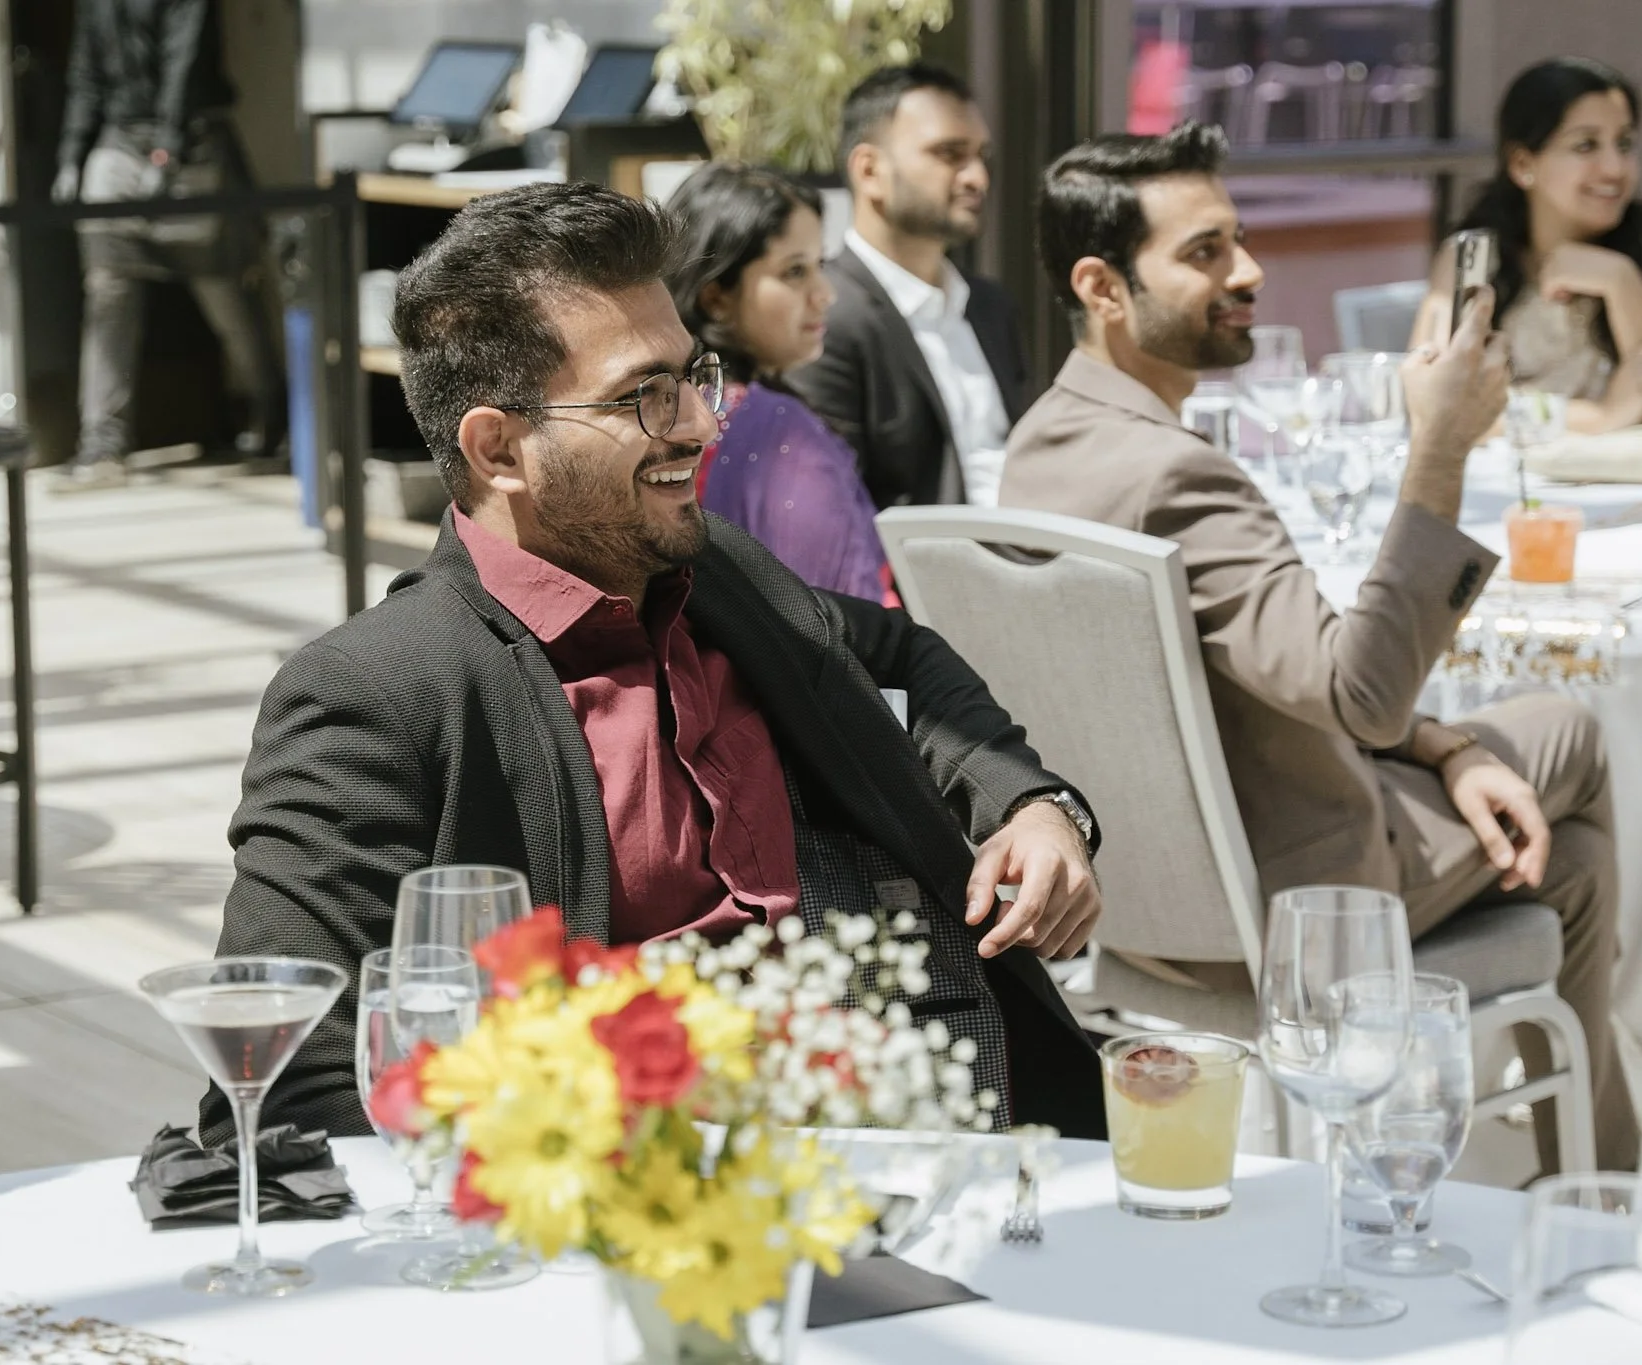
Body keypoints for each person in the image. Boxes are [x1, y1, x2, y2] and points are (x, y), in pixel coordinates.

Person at [202, 182, 1107, 1147]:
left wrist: (1031, 806)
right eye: (644, 395)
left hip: (925, 1125)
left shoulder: (718, 574)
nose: (700, 426)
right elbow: (287, 1078)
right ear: (499, 448)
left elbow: (902, 655)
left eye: (691, 377)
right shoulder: (373, 696)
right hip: (616, 1187)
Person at [1002, 122, 1637, 1171]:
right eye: (1204, 251)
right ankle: (1596, 1181)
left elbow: (1273, 675)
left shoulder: (1039, 448)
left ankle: (1585, 1165)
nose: (1248, 270)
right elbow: (1361, 695)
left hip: (1134, 905)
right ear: (1102, 287)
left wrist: (1445, 745)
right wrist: (1440, 446)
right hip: (1296, 899)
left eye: (1239, 238)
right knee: (1568, 730)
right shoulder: (1177, 477)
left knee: (1565, 862)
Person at [51, 0, 285, 490]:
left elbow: (187, 57)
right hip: (117, 145)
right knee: (107, 293)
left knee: (223, 290)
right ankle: (102, 444)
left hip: (190, 144)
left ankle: (272, 416)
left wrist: (168, 147)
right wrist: (71, 154)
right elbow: (85, 75)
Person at [788, 64, 1029, 510]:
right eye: (949, 154)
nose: (977, 178)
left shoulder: (990, 307)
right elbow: (830, 513)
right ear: (869, 170)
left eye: (982, 156)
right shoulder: (826, 316)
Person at [663, 163, 892, 603]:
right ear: (717, 296)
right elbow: (838, 617)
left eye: (819, 265)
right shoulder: (780, 432)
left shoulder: (660, 414)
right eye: (794, 272)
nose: (825, 294)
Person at [1414, 57, 1642, 433]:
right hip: (1508, 470)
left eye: (1624, 143)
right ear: (1522, 164)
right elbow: (1433, 402)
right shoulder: (1474, 257)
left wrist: (1621, 280)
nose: (1615, 168)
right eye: (1586, 145)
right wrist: (1598, 417)